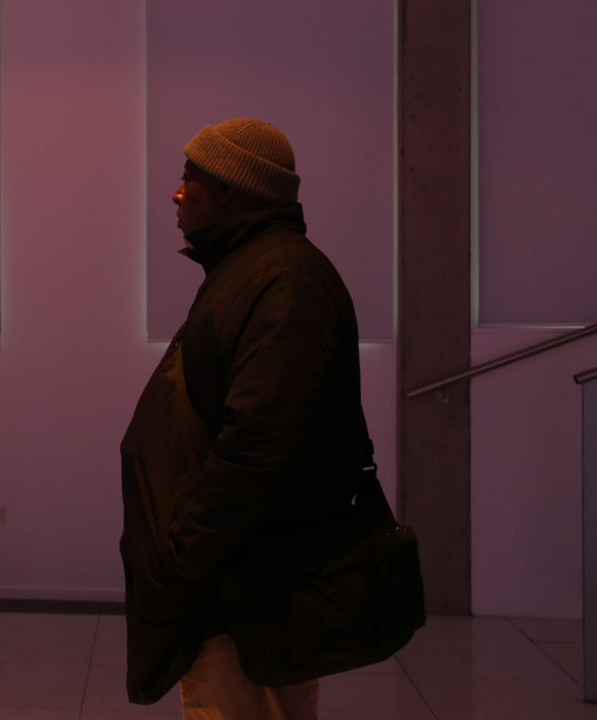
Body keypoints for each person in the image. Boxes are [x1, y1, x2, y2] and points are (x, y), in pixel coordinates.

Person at [120, 119, 367, 719]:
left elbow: (262, 446)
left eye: (189, 178)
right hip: (235, 587)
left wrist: (186, 551)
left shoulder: (284, 281)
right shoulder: (252, 271)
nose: (177, 193)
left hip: (249, 596)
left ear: (229, 189)